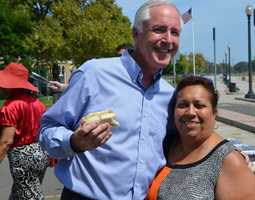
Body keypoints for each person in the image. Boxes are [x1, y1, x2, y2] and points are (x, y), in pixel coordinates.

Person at [38, 0, 182, 199]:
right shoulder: (94, 74)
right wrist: (74, 142)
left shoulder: (170, 95)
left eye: (175, 32)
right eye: (158, 29)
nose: (168, 39)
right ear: (135, 34)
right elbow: (47, 128)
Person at [146, 75, 255, 200]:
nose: (190, 112)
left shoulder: (228, 161)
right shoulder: (164, 146)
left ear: (214, 113)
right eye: (183, 105)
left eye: (199, 105)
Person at [0, 62, 49, 200]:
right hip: (40, 152)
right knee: (21, 192)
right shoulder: (38, 103)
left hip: (22, 156)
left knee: (30, 195)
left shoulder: (10, 106)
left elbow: (6, 141)